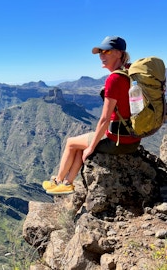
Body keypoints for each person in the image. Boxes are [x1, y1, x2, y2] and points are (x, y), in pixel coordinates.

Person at [42, 36, 141, 195]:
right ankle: (67, 183)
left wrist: (92, 147)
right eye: (100, 52)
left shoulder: (114, 79)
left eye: (106, 51)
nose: (101, 55)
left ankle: (59, 181)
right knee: (80, 145)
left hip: (118, 140)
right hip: (132, 137)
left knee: (70, 142)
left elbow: (104, 119)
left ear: (118, 53)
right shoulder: (130, 71)